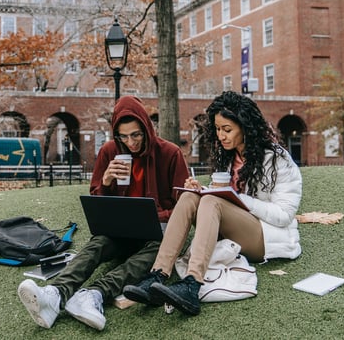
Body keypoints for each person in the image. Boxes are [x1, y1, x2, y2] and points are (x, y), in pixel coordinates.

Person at [17, 95, 189, 331]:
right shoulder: (109, 151)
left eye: (137, 134)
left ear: (147, 129)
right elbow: (97, 202)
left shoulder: (170, 153)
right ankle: (55, 294)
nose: (131, 142)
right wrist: (106, 181)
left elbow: (184, 207)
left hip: (156, 232)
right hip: (120, 231)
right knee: (98, 242)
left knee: (159, 248)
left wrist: (155, 216)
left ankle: (94, 294)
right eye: (124, 136)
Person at [123, 91, 302, 316]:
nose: (221, 136)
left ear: (246, 127)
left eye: (227, 130)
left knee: (211, 201)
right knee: (190, 197)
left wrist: (235, 198)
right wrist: (201, 189)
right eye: (217, 129)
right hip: (233, 229)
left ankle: (192, 283)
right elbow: (222, 199)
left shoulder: (277, 159)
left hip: (265, 236)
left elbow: (284, 215)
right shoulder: (228, 157)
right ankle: (157, 275)